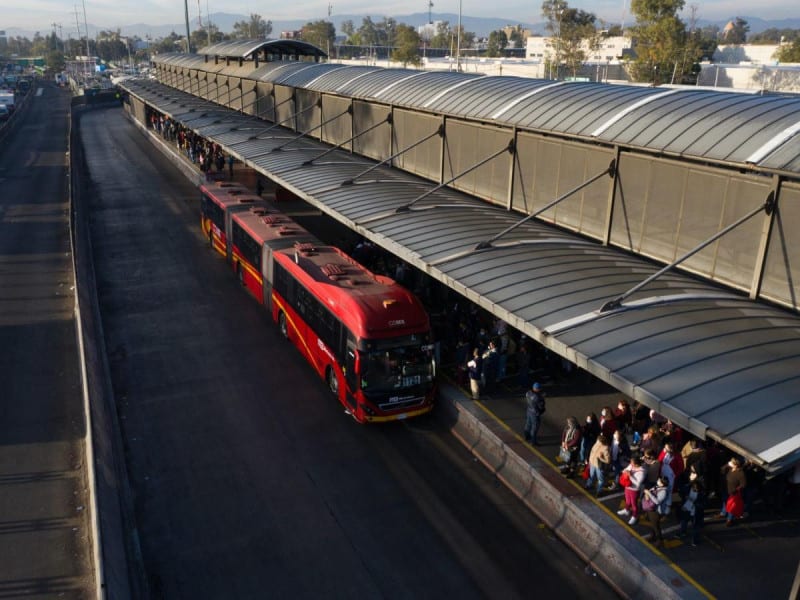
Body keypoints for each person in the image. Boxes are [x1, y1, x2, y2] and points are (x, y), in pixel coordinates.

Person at [642, 476, 670, 547]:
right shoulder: (657, 487)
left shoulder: (663, 491)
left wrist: (649, 494)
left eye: (659, 481)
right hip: (651, 509)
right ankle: (653, 536)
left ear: (662, 484)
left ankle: (659, 540)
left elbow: (657, 502)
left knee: (656, 526)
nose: (657, 481)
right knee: (653, 524)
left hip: (656, 511)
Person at [618, 456, 646, 525]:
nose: (631, 464)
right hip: (627, 487)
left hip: (634, 489)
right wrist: (625, 471)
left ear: (636, 464)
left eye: (632, 463)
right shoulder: (631, 465)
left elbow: (638, 483)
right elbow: (625, 470)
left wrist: (630, 476)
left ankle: (635, 516)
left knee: (634, 504)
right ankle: (626, 510)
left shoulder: (642, 472)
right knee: (627, 500)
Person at [677, 479, 705, 546]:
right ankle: (683, 532)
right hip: (686, 508)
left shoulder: (702, 494)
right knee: (684, 522)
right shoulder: (688, 488)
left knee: (695, 526)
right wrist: (683, 497)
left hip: (695, 511)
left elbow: (703, 504)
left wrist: (693, 501)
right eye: (694, 487)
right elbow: (681, 491)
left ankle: (694, 540)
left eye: (696, 488)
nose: (695, 489)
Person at [720, 457, 747, 526]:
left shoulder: (740, 473)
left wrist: (736, 490)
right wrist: (727, 465)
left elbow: (743, 484)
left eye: (731, 462)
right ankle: (723, 513)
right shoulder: (729, 469)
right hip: (726, 489)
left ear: (735, 465)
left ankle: (729, 519)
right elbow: (722, 470)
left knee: (732, 506)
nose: (730, 463)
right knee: (725, 502)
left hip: (733, 492)